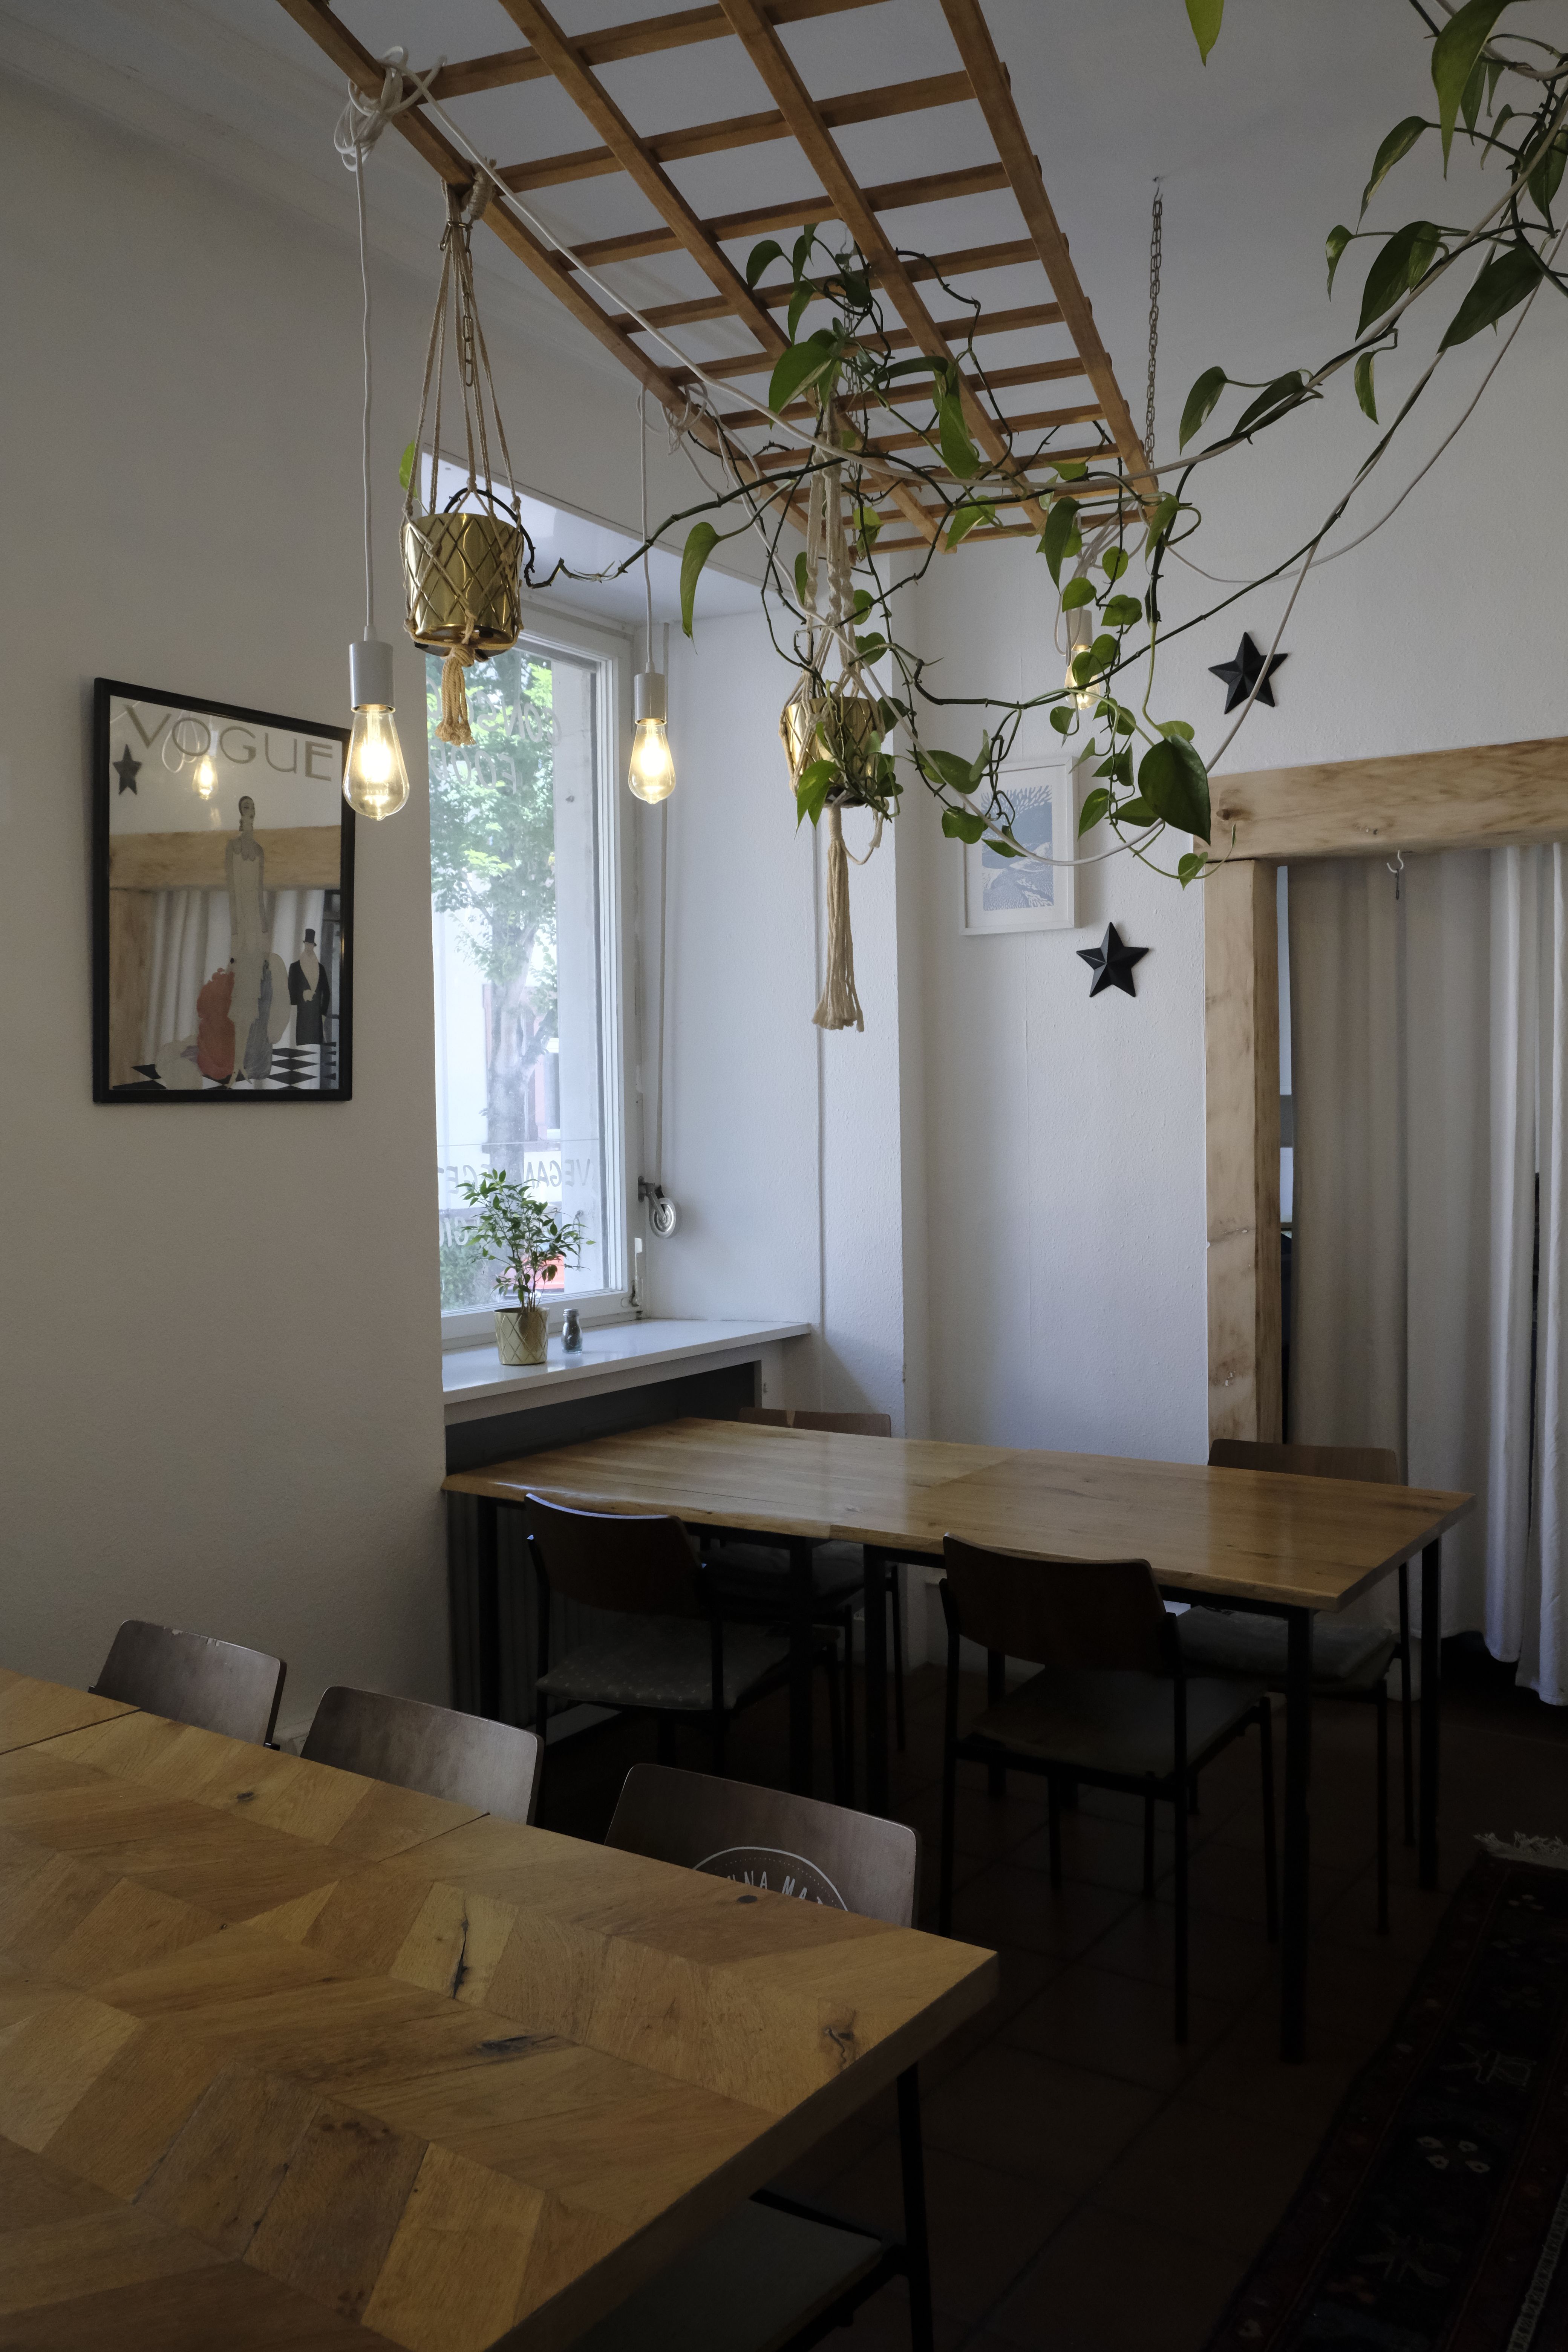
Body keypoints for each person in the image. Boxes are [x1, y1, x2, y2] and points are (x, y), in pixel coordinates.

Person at [288, 927, 330, 1045]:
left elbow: (327, 993)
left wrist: (323, 1014)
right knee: (302, 1049)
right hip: (303, 1018)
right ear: (304, 945)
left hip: (317, 1019)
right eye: (307, 944)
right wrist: (303, 994)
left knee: (316, 1047)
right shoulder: (295, 968)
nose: (309, 947)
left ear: (314, 946)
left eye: (311, 945)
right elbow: (291, 996)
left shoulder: (320, 968)